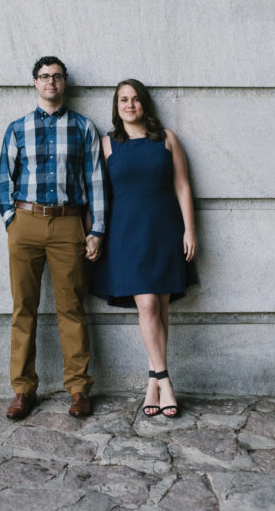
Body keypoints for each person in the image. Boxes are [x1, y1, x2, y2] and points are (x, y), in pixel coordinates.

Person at [0, 56, 107, 420]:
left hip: (67, 224)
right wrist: (11, 218)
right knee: (23, 308)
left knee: (72, 308)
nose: (51, 83)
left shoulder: (83, 127)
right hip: (25, 223)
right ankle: (23, 390)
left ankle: (78, 390)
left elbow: (95, 181)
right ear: (35, 83)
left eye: (57, 77)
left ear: (64, 83)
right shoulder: (17, 128)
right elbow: (4, 179)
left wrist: (96, 230)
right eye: (44, 77)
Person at [90, 79, 197, 418]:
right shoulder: (107, 144)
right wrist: (96, 234)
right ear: (116, 106)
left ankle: (153, 381)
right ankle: (165, 379)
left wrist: (190, 230)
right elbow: (98, 195)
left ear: (144, 104)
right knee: (148, 305)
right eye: (123, 100)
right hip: (126, 234)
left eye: (135, 99)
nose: (130, 105)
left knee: (162, 307)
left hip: (164, 229)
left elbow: (182, 185)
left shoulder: (166, 138)